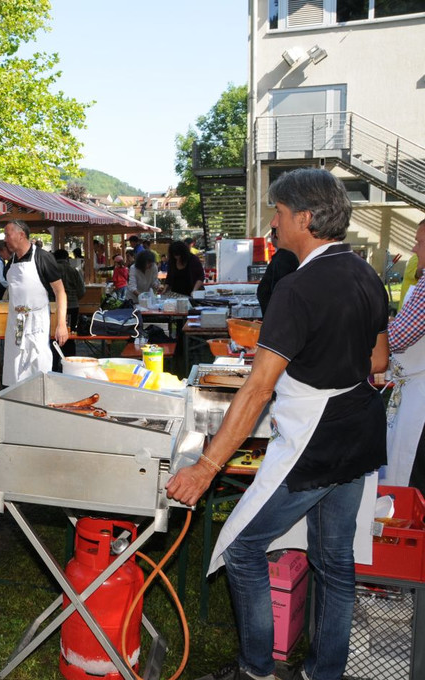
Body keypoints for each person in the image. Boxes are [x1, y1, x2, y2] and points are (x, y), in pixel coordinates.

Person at [167, 168, 389, 680]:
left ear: (305, 219)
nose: (273, 222)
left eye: (280, 212)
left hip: (316, 437)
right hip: (359, 428)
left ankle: (256, 670)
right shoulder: (366, 274)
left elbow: (257, 389)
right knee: (334, 561)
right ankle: (323, 672)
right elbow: (378, 359)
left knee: (242, 548)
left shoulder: (296, 287)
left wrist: (206, 467)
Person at [383, 218, 425, 492]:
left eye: (420, 242)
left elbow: (397, 338)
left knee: (414, 478)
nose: (414, 248)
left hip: (420, 399)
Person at [1, 220, 68, 387]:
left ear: (21, 234)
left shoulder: (43, 258)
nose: (5, 239)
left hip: (37, 320)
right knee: (16, 361)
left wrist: (61, 324)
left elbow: (60, 292)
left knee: (38, 361)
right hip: (17, 322)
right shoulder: (11, 262)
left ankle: (40, 394)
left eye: (7, 235)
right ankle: (17, 395)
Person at [256, 229, 300, 315]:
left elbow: (280, 288)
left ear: (274, 235)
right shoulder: (284, 255)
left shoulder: (284, 257)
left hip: (276, 312)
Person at [53, 249, 84, 336]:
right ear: (67, 258)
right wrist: (75, 298)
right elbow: (81, 290)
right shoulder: (74, 270)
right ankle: (70, 344)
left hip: (55, 306)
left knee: (55, 333)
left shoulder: (52, 270)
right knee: (71, 332)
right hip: (73, 304)